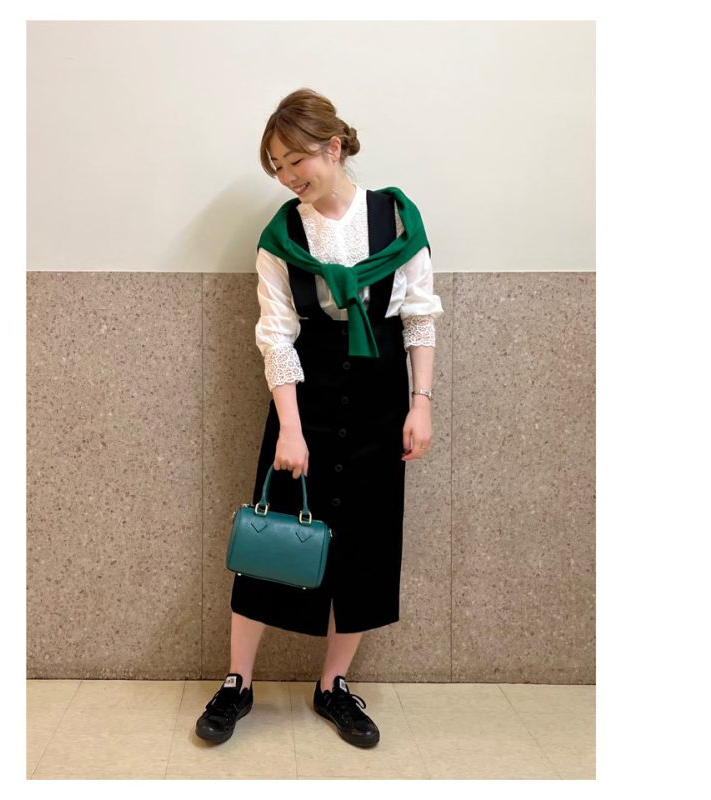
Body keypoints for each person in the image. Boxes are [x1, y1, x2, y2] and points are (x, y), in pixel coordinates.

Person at [196, 88, 443, 748]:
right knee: (269, 540)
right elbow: (276, 336)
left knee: (365, 546)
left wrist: (420, 404)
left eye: (293, 160)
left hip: (381, 399)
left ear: (333, 147)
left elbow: (418, 316)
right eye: (275, 167)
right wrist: (291, 427)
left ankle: (332, 687)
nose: (286, 177)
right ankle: (237, 683)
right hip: (305, 396)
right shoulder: (281, 237)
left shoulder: (397, 218)